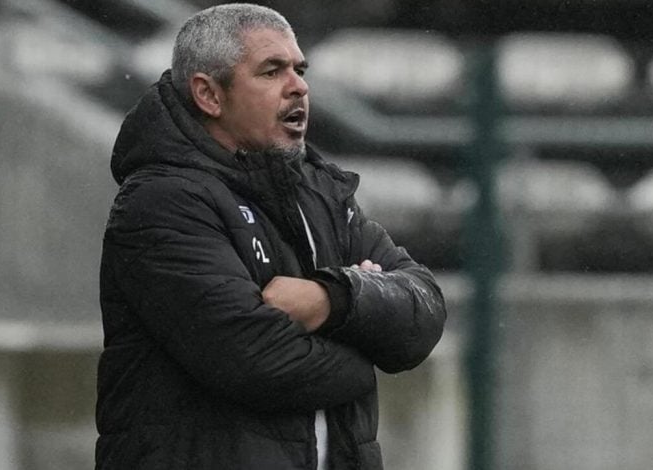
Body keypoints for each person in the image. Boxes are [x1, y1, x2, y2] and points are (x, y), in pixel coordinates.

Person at [95, 3, 446, 469]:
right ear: (209, 95)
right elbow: (256, 362)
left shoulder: (322, 192)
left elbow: (424, 308)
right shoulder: (161, 200)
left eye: (299, 69)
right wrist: (366, 351)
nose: (298, 86)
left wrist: (331, 300)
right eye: (271, 71)